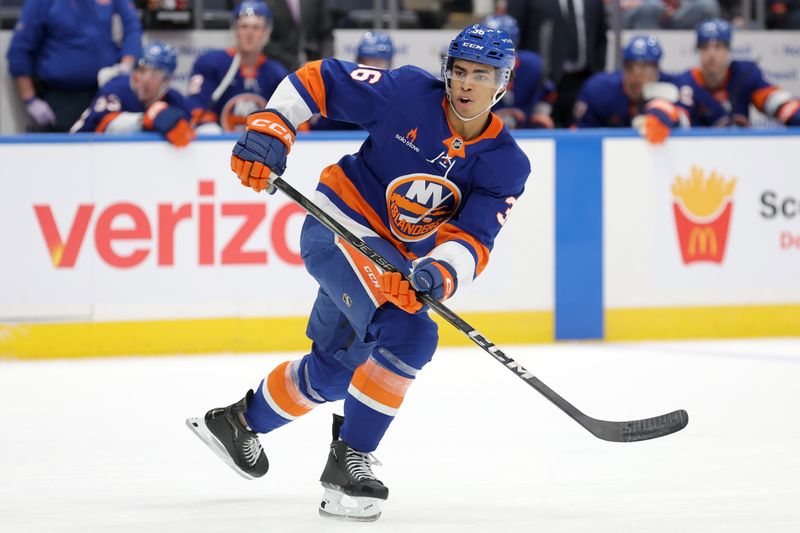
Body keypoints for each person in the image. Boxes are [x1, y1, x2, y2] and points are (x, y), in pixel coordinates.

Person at [186, 24, 531, 522]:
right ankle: (347, 465)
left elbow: (474, 241)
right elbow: (319, 79)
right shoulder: (409, 93)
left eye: (481, 74)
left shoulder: (505, 163)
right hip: (337, 229)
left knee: (342, 368)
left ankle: (238, 423)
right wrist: (274, 123)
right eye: (459, 71)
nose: (466, 84)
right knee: (410, 336)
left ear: (503, 81)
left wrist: (435, 274)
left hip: (396, 263)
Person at [6, 0, 142, 133]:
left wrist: (126, 64)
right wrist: (30, 100)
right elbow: (19, 50)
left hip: (106, 92)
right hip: (61, 98)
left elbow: (132, 28)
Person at [186, 1, 289, 133]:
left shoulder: (276, 72)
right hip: (218, 145)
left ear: (266, 32)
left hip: (261, 149)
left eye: (256, 27)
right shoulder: (210, 63)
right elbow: (196, 106)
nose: (249, 33)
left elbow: (289, 117)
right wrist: (209, 129)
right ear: (234, 29)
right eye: (244, 26)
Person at [676, 18, 800, 128]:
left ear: (728, 50)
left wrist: (791, 111)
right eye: (705, 47)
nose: (711, 54)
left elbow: (772, 99)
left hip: (742, 151)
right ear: (698, 51)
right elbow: (680, 116)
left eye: (718, 47)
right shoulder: (687, 82)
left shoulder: (744, 73)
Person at [71, 42, 195, 147]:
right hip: (82, 153)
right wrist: (141, 121)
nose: (145, 80)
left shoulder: (174, 99)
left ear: (167, 80)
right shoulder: (117, 89)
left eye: (155, 74)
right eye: (141, 70)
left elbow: (190, 129)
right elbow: (105, 127)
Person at [506, 0, 607, 127]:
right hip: (544, 82)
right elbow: (515, 34)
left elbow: (601, 37)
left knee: (582, 135)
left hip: (583, 79)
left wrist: (596, 74)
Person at [574, 35, 687, 143]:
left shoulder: (672, 87)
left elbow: (688, 125)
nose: (636, 76)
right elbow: (580, 135)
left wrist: (673, 115)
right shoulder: (599, 89)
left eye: (644, 69)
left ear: (657, 70)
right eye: (630, 67)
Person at [306, 31, 394, 131]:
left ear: (389, 64)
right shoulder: (343, 91)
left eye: (379, 62)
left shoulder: (395, 98)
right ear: (359, 63)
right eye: (368, 61)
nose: (373, 69)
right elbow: (319, 131)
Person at [484, 14, 556, 129]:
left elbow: (547, 94)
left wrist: (540, 113)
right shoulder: (474, 71)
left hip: (526, 127)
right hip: (485, 127)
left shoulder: (534, 66)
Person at [263, 0, 334, 72]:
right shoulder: (267, 2)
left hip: (314, 65)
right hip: (281, 66)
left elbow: (326, 35)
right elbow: (266, 41)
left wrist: (324, 63)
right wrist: (296, 64)